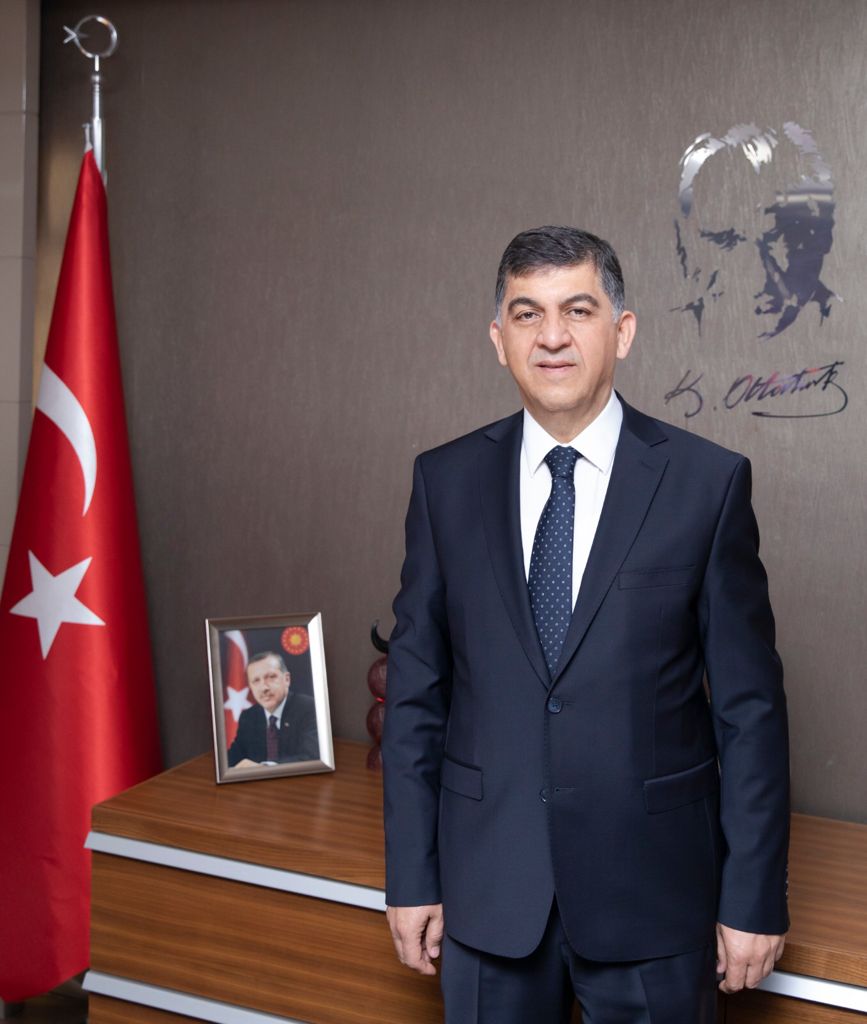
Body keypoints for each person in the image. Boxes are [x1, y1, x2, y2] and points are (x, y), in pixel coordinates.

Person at [382, 226, 789, 1023]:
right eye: (526, 314)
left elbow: (750, 711)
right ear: (499, 340)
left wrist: (752, 895)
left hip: (655, 899)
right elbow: (414, 698)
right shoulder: (444, 483)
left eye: (577, 309)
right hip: (487, 895)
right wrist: (412, 876)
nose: (552, 336)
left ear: (621, 331)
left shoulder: (705, 484)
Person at [672, 122, 835, 338]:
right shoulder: (657, 337)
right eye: (724, 240)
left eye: (783, 237)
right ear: (684, 245)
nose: (758, 280)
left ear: (824, 237)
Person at [227, 651, 319, 767]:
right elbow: (231, 760)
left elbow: (312, 758)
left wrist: (263, 768)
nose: (264, 688)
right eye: (256, 681)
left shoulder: (310, 708)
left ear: (287, 679)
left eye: (271, 677)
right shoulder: (249, 717)